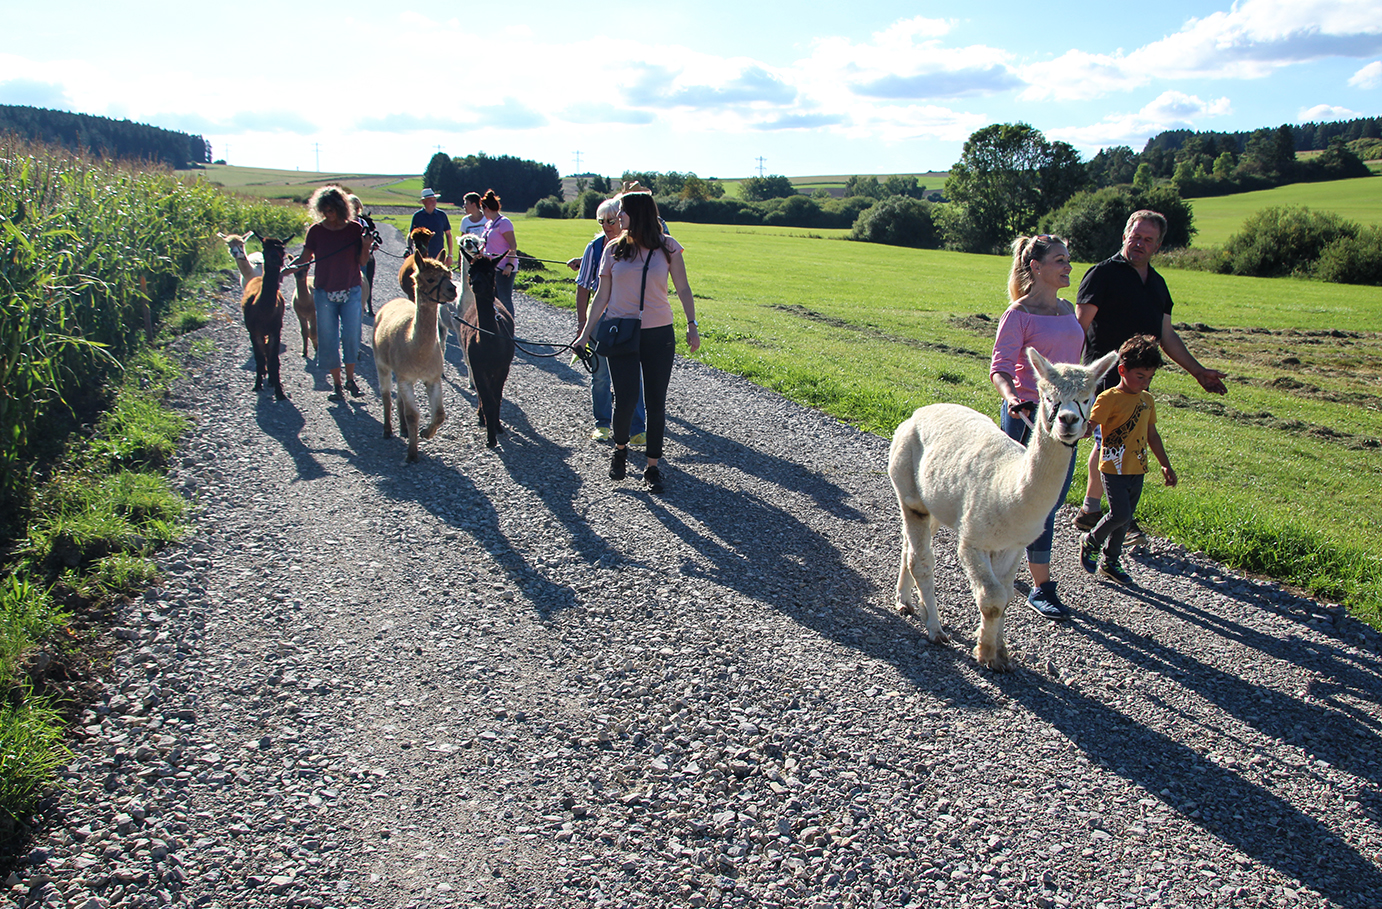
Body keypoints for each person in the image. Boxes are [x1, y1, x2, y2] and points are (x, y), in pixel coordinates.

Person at [1072, 210, 1227, 541]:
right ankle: (1116, 517)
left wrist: (1197, 371)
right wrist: (1073, 376)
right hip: (1106, 376)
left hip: (1138, 382)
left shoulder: (1157, 285)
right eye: (1135, 236)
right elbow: (1078, 328)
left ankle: (1092, 510)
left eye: (1147, 239)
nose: (1139, 243)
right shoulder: (1103, 274)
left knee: (1119, 443)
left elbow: (1166, 336)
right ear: (1125, 234)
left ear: (1158, 245)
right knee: (1113, 443)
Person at [572, 191, 700, 493]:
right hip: (620, 331)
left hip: (659, 333)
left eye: (622, 213)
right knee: (626, 398)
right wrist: (586, 331)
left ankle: (653, 467)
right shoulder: (613, 249)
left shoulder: (667, 247)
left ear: (637, 213)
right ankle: (620, 450)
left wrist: (692, 325)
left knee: (656, 402)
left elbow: (683, 288)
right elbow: (601, 296)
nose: (618, 219)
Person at [990, 234, 1087, 619]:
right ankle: (1042, 586)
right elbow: (1000, 367)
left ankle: (1008, 552)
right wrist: (1012, 397)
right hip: (1027, 417)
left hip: (1066, 419)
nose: (1068, 266)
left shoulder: (1068, 311)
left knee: (1055, 499)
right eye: (1060, 260)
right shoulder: (1018, 314)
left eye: (1068, 259)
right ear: (1036, 266)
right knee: (1031, 501)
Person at [1079, 334, 1177, 586]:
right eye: (1140, 377)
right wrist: (1085, 429)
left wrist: (1165, 464)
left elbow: (1152, 435)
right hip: (1113, 466)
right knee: (1120, 514)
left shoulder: (1147, 401)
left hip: (1137, 468)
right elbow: (1092, 425)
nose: (1144, 383)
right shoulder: (1108, 398)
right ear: (1122, 370)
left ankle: (1111, 562)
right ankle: (1091, 541)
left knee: (1125, 518)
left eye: (1150, 378)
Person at [569, 197, 647, 444]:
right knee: (600, 374)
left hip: (629, 319)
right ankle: (602, 423)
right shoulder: (594, 248)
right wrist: (583, 325)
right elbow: (583, 288)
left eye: (611, 220)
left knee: (632, 375)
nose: (606, 225)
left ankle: (637, 428)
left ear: (623, 220)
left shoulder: (638, 246)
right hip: (600, 318)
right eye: (601, 221)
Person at [297, 185, 375, 402]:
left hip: (351, 290)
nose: (328, 215)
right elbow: (305, 258)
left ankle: (351, 379)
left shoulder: (354, 229)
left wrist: (366, 246)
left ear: (341, 208)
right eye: (325, 210)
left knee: (351, 337)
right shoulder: (315, 231)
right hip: (323, 293)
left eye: (332, 210)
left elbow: (361, 261)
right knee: (328, 339)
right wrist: (288, 268)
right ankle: (337, 385)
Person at [480, 189, 518, 314]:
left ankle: (508, 328)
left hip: (503, 267)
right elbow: (487, 244)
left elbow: (512, 244)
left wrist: (510, 264)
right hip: (491, 267)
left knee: (504, 299)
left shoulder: (504, 223)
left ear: (486, 208)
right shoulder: (489, 224)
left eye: (482, 209)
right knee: (494, 298)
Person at [348, 193, 378, 316]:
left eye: (356, 208)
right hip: (347, 259)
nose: (354, 211)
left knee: (364, 282)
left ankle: (364, 305)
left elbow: (367, 241)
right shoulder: (344, 224)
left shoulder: (362, 223)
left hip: (361, 257)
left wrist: (371, 246)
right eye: (352, 207)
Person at [409, 188, 453, 265]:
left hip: (438, 255)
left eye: (434, 200)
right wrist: (409, 248)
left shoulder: (442, 215)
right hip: (422, 256)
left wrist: (450, 255)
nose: (434, 202)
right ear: (424, 202)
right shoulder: (417, 216)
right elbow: (411, 235)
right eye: (430, 200)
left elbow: (448, 235)